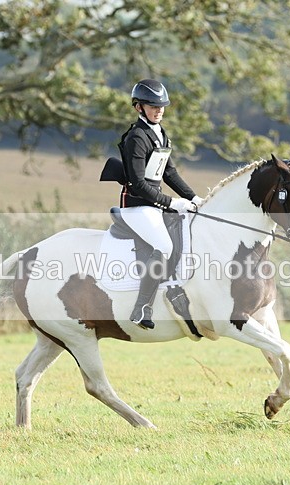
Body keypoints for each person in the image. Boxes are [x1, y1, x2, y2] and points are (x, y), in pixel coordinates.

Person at [118, 79, 203, 329]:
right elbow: (138, 184)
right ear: (139, 107)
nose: (159, 110)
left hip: (154, 204)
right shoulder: (137, 137)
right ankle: (141, 308)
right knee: (164, 246)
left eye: (161, 106)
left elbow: (169, 173)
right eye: (153, 106)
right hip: (136, 205)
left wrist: (194, 198)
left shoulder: (160, 134)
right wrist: (172, 202)